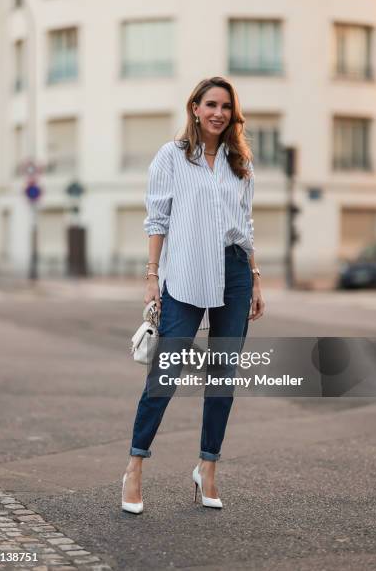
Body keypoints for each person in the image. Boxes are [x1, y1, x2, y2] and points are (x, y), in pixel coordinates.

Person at [122, 76, 265, 513]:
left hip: (235, 270)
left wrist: (255, 276)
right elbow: (157, 219)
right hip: (185, 270)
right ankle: (134, 467)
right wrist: (152, 275)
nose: (218, 113)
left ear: (232, 113)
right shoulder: (172, 156)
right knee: (165, 373)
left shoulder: (240, 162)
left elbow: (245, 225)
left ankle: (207, 469)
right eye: (211, 105)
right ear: (195, 108)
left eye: (226, 106)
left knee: (223, 375)